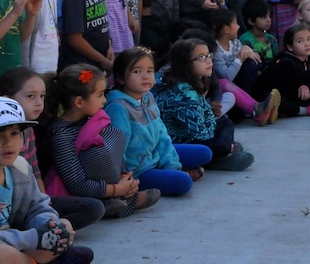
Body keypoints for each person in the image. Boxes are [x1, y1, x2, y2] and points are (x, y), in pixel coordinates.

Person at [0, 94, 95, 264]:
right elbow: (29, 239)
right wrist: (33, 237)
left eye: (14, 134)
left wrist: (49, 225)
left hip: (17, 246)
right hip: (6, 251)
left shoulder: (20, 168)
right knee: (4, 257)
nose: (8, 143)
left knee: (64, 227)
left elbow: (38, 206)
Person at [43, 65, 159, 217]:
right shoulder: (61, 135)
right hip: (74, 193)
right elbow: (76, 184)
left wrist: (124, 177)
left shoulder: (90, 120)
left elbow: (115, 151)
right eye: (100, 95)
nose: (104, 100)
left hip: (104, 186)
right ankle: (111, 201)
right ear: (79, 102)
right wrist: (117, 189)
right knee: (94, 206)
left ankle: (120, 199)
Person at [0, 67, 107, 232]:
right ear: (7, 98)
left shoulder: (29, 130)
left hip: (29, 199)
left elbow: (35, 174)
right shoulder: (58, 133)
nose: (38, 102)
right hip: (13, 206)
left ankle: (54, 230)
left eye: (42, 96)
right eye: (31, 96)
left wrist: (44, 204)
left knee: (94, 208)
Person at [104, 48, 214, 196]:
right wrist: (124, 177)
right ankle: (181, 173)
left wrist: (171, 164)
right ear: (121, 78)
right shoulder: (118, 108)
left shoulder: (147, 96)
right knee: (183, 182)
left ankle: (176, 171)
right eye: (137, 72)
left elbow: (162, 134)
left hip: (155, 153)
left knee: (205, 152)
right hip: (138, 169)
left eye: (150, 71)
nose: (145, 77)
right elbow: (117, 149)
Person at [153, 39, 254, 171]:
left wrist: (210, 118)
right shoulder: (182, 94)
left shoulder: (190, 84)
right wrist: (211, 120)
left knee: (224, 122)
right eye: (202, 57)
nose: (208, 61)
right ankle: (219, 157)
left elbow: (206, 113)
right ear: (186, 64)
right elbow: (201, 134)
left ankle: (222, 154)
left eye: (209, 55)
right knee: (222, 135)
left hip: (190, 134)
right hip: (177, 143)